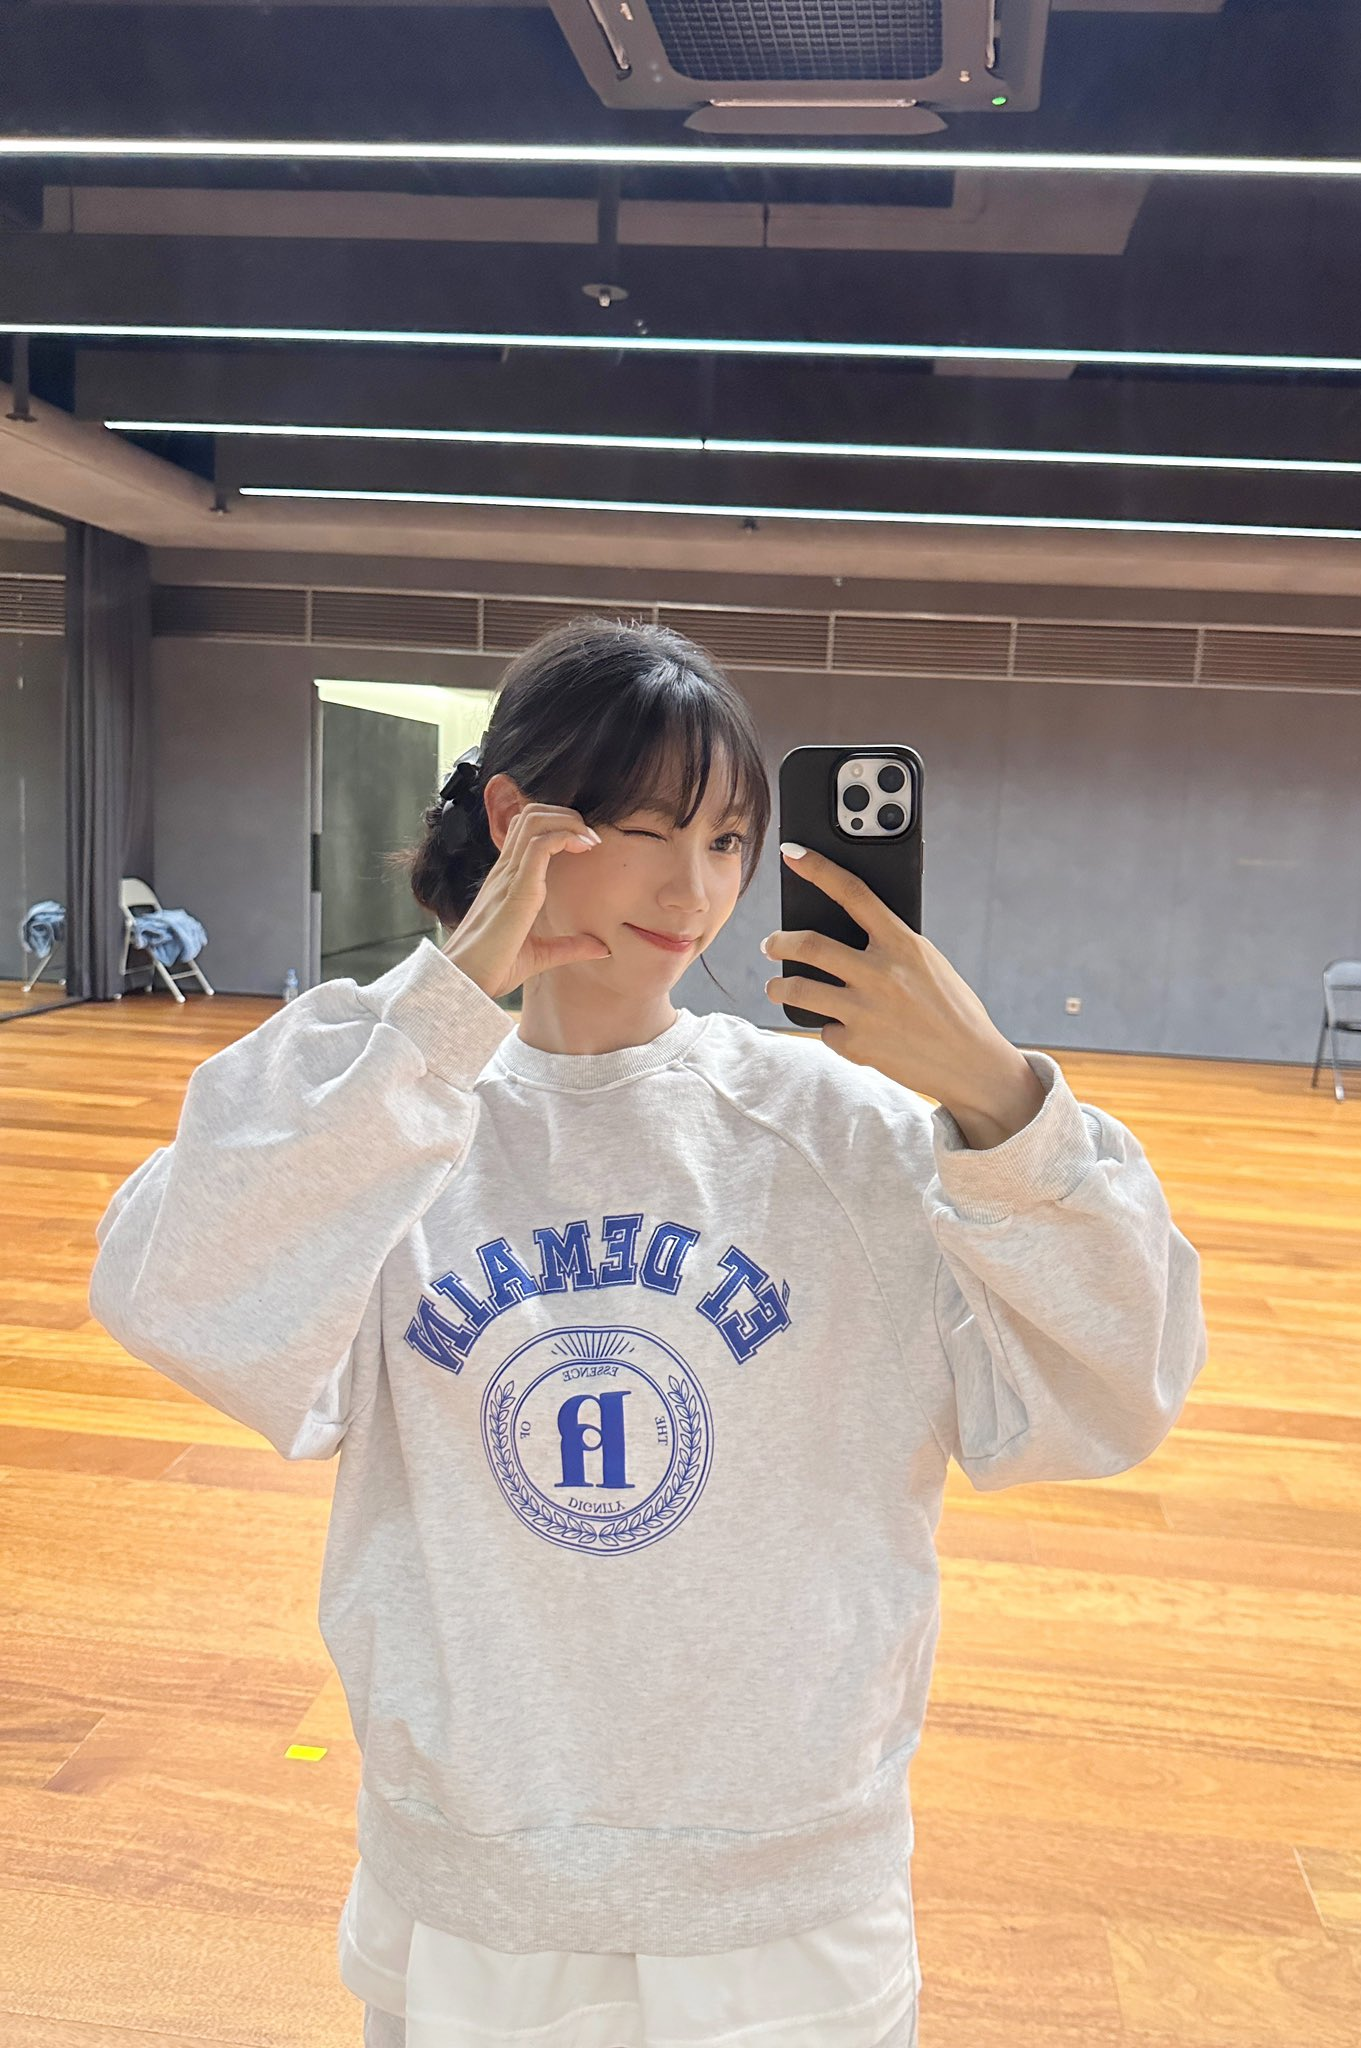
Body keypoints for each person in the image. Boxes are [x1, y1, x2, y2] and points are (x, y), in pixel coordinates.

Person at [89, 617, 1208, 2048]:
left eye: (731, 841)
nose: (696, 890)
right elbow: (180, 1290)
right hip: (479, 1887)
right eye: (649, 830)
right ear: (519, 817)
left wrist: (997, 1096)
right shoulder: (387, 1112)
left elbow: (1114, 1387)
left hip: (783, 1901)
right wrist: (440, 1014)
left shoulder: (844, 1133)